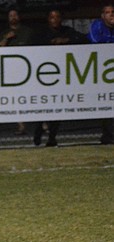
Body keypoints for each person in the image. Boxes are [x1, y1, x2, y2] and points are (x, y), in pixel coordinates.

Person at [32, 9, 87, 147]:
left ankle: (52, 137)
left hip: (60, 76)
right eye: (52, 17)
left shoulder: (67, 31)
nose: (54, 19)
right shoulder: (40, 33)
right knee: (43, 107)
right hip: (44, 74)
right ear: (48, 19)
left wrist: (66, 40)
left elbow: (82, 38)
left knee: (57, 108)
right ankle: (38, 130)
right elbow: (32, 46)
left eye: (57, 17)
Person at [0, 10, 34, 135]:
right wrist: (6, 39)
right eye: (11, 16)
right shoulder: (4, 33)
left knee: (33, 96)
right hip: (11, 70)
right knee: (16, 98)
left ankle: (43, 125)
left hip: (29, 68)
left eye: (15, 15)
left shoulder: (28, 32)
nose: (13, 17)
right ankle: (21, 126)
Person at [88, 3, 114, 145]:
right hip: (99, 71)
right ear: (102, 16)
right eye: (107, 12)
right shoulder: (97, 25)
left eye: (113, 12)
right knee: (105, 103)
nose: (111, 15)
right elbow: (95, 41)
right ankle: (107, 135)